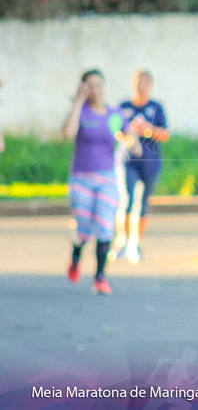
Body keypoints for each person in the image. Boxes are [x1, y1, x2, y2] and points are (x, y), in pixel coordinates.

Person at [61, 69, 138, 295]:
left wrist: (131, 140)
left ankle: (100, 277)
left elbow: (130, 135)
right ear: (83, 88)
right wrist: (77, 102)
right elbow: (67, 133)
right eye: (89, 86)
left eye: (97, 85)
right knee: (84, 229)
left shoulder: (114, 114)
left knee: (105, 227)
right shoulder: (81, 112)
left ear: (104, 86)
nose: (95, 90)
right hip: (81, 180)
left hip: (107, 179)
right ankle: (76, 257)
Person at [115, 69, 170, 263]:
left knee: (144, 203)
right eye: (138, 82)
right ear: (133, 83)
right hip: (128, 161)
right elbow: (114, 129)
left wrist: (148, 130)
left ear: (150, 85)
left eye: (145, 82)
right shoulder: (123, 106)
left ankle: (136, 244)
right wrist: (128, 135)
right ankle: (122, 242)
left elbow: (165, 135)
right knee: (127, 200)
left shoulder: (156, 107)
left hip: (150, 162)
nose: (141, 86)